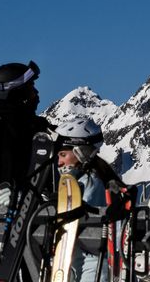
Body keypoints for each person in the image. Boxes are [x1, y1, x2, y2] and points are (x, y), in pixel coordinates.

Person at [0, 60, 52, 281]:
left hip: (37, 230)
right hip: (0, 231)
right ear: (18, 92)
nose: (37, 94)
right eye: (31, 88)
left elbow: (49, 174)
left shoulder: (39, 130)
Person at [54, 118, 108, 282]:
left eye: (63, 155)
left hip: (94, 269)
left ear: (80, 152)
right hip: (76, 266)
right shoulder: (83, 180)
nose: (59, 162)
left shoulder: (92, 182)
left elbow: (77, 214)